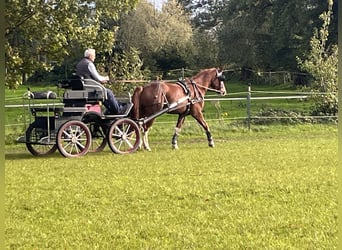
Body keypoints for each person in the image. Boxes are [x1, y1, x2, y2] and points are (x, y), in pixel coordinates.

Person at [76, 48, 124, 114]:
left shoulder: (80, 63)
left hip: (84, 87)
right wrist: (106, 78)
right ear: (90, 56)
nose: (95, 57)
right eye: (94, 55)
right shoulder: (89, 64)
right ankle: (118, 110)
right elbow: (98, 77)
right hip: (90, 89)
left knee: (105, 93)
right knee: (108, 92)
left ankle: (111, 110)